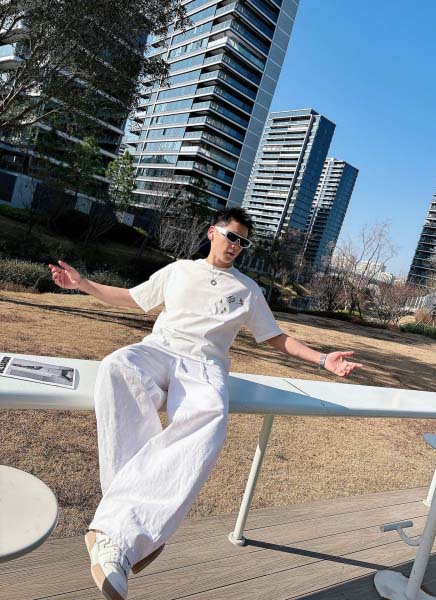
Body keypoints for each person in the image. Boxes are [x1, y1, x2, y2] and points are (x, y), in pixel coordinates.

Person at [49, 208, 362, 600]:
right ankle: (131, 526)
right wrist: (82, 284)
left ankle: (116, 537)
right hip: (160, 349)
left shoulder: (248, 289)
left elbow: (275, 337)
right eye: (232, 236)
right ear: (213, 232)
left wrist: (322, 359)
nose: (236, 246)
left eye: (243, 242)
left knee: (211, 416)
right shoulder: (179, 270)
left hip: (205, 365)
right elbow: (133, 298)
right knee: (116, 367)